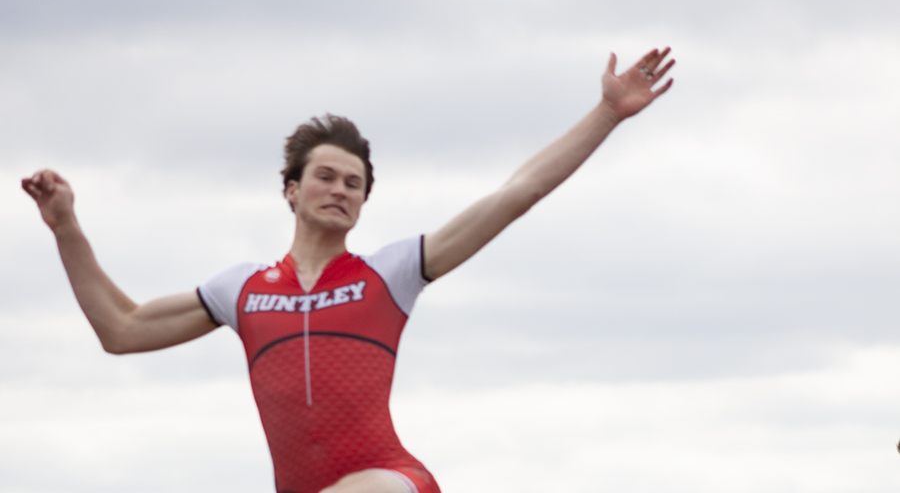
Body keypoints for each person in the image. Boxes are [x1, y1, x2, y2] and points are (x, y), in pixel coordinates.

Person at [22, 48, 675, 493]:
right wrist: (67, 228)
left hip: (390, 481)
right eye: (326, 177)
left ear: (365, 201)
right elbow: (121, 328)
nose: (340, 189)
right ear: (290, 190)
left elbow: (517, 194)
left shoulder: (391, 273)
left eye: (355, 183)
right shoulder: (241, 290)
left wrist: (606, 114)